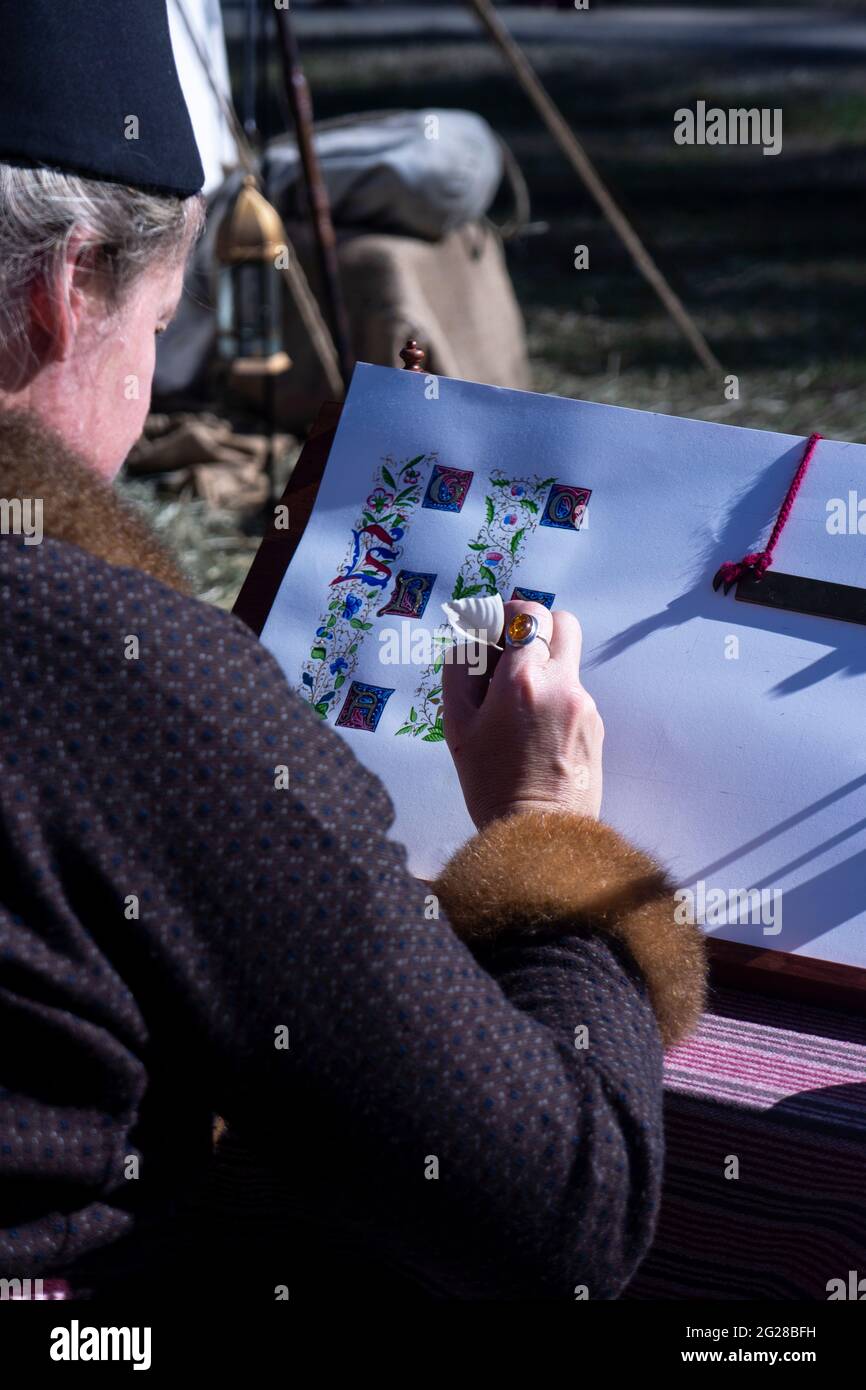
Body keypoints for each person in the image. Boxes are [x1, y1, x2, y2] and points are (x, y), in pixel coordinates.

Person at [0, 0, 705, 1301]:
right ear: (62, 294)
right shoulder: (97, 659)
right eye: (157, 328)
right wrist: (550, 828)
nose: (152, 374)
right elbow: (562, 1207)